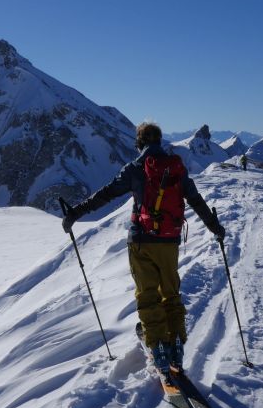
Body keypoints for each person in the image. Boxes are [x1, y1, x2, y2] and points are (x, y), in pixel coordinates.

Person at [61, 122, 226, 375]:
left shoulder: (135, 168)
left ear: (139, 143)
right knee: (170, 293)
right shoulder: (176, 168)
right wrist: (215, 226)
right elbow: (195, 199)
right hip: (169, 242)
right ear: (160, 141)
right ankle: (177, 347)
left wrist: (75, 213)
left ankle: (159, 349)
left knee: (148, 295)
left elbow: (106, 194)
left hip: (141, 242)